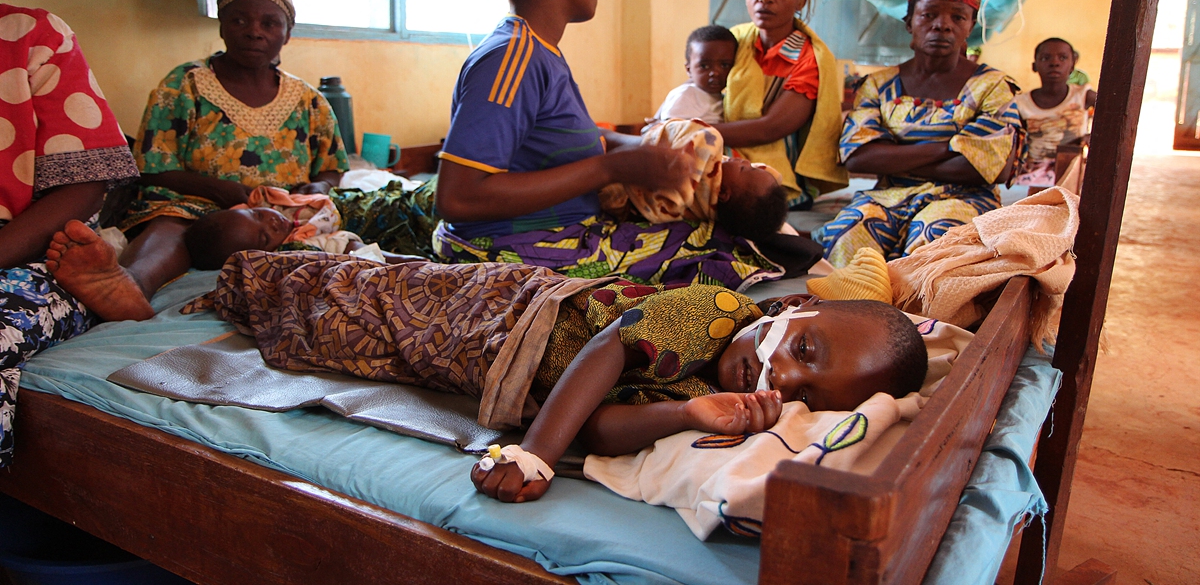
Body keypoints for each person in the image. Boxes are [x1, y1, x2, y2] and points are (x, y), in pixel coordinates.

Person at [194, 250, 928, 504]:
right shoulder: (720, 310)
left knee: (350, 342)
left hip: (480, 365)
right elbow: (611, 346)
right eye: (804, 351)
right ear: (793, 310)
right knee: (347, 299)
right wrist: (535, 453)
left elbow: (602, 425)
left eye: (804, 394)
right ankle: (236, 264)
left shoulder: (714, 393)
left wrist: (687, 420)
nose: (781, 379)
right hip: (509, 310)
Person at [432, 0, 782, 290]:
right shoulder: (512, 57)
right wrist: (612, 169)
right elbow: (457, 199)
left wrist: (654, 146)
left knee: (717, 235)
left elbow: (572, 143)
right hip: (503, 244)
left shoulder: (541, 54)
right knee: (721, 254)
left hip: (557, 228)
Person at [46, 0, 348, 320]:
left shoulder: (309, 100)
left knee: (326, 236)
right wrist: (218, 190)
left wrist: (316, 189)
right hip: (193, 202)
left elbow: (331, 166)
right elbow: (150, 167)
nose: (254, 31)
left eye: (269, 23)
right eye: (239, 20)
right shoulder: (184, 84)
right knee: (170, 227)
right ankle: (128, 284)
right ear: (222, 28)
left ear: (287, 34)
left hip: (279, 212)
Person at [0, 0, 140, 466]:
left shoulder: (32, 36)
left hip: (27, 243)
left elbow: (85, 182)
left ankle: (121, 279)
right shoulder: (187, 84)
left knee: (190, 227)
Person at [812, 0, 1024, 268]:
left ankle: (915, 317)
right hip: (887, 196)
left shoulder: (992, 86)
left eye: (958, 17)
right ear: (909, 22)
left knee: (933, 239)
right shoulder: (877, 84)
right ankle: (849, 313)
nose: (942, 25)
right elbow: (860, 158)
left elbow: (989, 171)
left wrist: (895, 153)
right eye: (929, 15)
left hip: (965, 199)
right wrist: (951, 145)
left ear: (971, 26)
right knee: (846, 235)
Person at [720, 0, 848, 210]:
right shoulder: (735, 40)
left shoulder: (809, 58)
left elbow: (771, 128)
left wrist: (697, 131)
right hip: (728, 151)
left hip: (778, 174)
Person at [601, 118, 788, 243]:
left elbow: (700, 138)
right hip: (618, 194)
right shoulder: (717, 205)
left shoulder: (704, 178)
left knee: (709, 136)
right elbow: (769, 177)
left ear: (723, 194)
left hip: (627, 180)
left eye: (744, 168)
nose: (745, 161)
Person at [183, 185, 426, 269]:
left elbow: (257, 197)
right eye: (264, 238)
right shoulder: (298, 246)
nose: (272, 224)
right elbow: (347, 246)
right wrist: (397, 261)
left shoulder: (272, 203)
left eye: (257, 215)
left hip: (360, 200)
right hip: (376, 220)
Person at [1012, 37, 1096, 189]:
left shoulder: (1083, 96)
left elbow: (1114, 115)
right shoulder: (1021, 103)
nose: (1054, 63)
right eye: (1045, 58)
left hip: (1071, 171)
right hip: (1032, 174)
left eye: (1063, 58)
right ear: (1034, 66)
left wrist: (1093, 136)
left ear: (1072, 65)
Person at [643, 25, 738, 128]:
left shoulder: (726, 99)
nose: (715, 72)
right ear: (689, 70)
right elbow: (670, 130)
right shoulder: (684, 95)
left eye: (724, 65)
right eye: (704, 66)